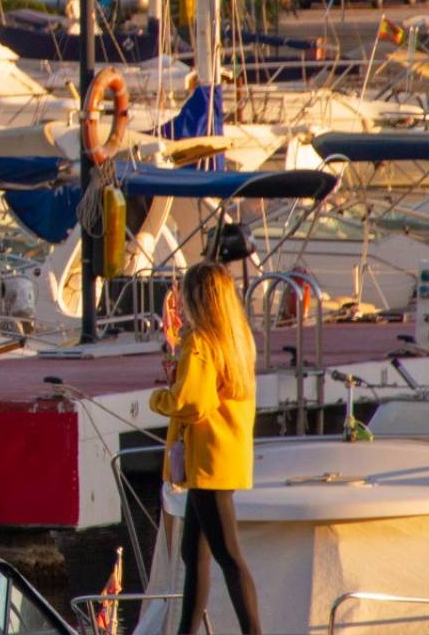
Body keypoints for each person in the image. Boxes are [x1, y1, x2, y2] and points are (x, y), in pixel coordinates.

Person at [151, 261, 261, 634]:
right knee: (193, 552)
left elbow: (191, 403)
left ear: (197, 297)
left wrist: (159, 399)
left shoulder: (200, 343)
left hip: (207, 460)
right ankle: (186, 631)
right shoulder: (237, 338)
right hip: (226, 455)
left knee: (228, 556)